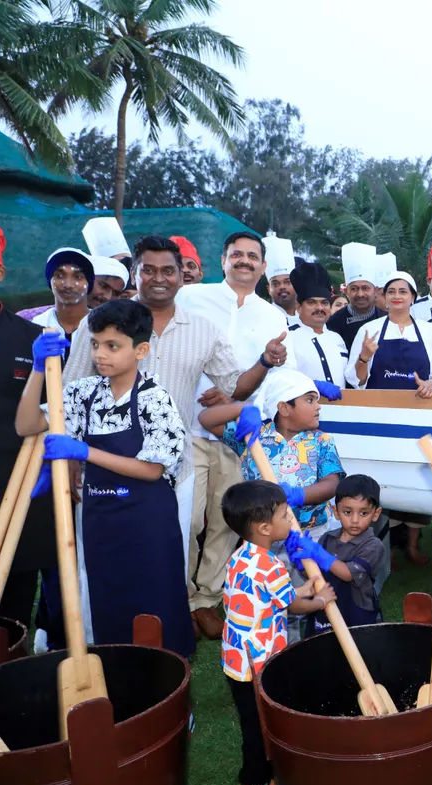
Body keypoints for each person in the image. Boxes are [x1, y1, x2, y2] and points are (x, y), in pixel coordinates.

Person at [63, 235, 270, 642]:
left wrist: (265, 362)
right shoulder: (101, 322)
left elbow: (235, 384)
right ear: (136, 273)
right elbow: (70, 392)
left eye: (168, 270)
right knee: (97, 563)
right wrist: (72, 461)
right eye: (149, 269)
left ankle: (161, 650)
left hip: (171, 470)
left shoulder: (203, 331)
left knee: (163, 561)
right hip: (101, 467)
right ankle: (96, 646)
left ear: (181, 276)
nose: (159, 278)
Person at [17, 301, 194, 658]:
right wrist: (38, 370)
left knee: (155, 609)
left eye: (112, 346)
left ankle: (169, 692)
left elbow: (151, 469)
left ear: (140, 350)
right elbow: (25, 425)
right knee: (108, 604)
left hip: (147, 524)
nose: (100, 354)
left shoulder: (155, 399)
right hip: (101, 522)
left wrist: (85, 453)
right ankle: (119, 680)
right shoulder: (83, 394)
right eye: (96, 344)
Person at [177, 230, 294, 639]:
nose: (244, 261)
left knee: (229, 520)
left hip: (240, 435)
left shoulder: (272, 315)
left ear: (263, 267)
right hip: (187, 425)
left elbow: (277, 374)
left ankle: (208, 599)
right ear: (223, 260)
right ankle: (180, 598)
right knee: (187, 519)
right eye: (237, 255)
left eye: (252, 257)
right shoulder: (191, 298)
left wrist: (233, 397)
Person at [200, 369, 345, 641]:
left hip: (312, 534)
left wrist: (299, 495)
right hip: (267, 540)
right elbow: (205, 418)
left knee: (318, 594)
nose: (318, 407)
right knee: (282, 599)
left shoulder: (321, 440)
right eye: (310, 400)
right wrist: (246, 408)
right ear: (284, 407)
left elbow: (332, 484)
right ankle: (285, 650)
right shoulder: (252, 436)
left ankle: (321, 643)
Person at [220, 479, 334, 785]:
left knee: (254, 718)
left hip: (237, 659)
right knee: (257, 725)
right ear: (266, 528)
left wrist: (303, 589)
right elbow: (291, 605)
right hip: (257, 661)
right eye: (286, 515)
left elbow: (269, 597)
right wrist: (321, 599)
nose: (291, 520)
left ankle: (265, 772)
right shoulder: (272, 565)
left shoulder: (241, 557)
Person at [0, 277, 56, 638]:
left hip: (19, 479)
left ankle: (13, 660)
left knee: (17, 586)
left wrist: (51, 464)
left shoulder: (29, 337)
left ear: (1, 271)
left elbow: (52, 411)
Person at [286, 474, 385, 635]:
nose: (354, 520)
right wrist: (300, 562)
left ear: (376, 514)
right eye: (347, 512)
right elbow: (315, 575)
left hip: (355, 619)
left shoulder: (373, 545)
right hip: (323, 613)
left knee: (354, 657)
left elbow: (347, 574)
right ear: (336, 512)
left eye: (363, 513)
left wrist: (319, 553)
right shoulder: (328, 538)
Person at [346, 272, 432, 395]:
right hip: (377, 408)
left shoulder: (429, 330)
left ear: (413, 297)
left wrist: (430, 384)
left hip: (421, 408)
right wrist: (363, 359)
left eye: (403, 292)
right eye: (391, 292)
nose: (397, 296)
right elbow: (356, 381)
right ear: (385, 297)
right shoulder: (369, 330)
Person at [290, 260, 347, 391]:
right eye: (311, 302)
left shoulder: (337, 338)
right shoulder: (289, 337)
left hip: (342, 409)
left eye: (324, 303)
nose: (319, 308)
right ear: (298, 307)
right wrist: (313, 385)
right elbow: (281, 378)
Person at [326, 242, 385, 351]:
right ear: (347, 291)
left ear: (375, 290)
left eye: (365, 288)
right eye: (354, 289)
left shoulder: (386, 319)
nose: (360, 294)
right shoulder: (333, 323)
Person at [22, 248, 93, 336]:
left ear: (89, 282)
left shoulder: (103, 325)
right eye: (59, 276)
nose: (68, 285)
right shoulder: (36, 325)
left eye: (78, 277)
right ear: (50, 281)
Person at [262, 233, 300, 330]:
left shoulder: (307, 317)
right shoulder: (264, 318)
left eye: (287, 282)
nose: (282, 287)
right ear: (268, 289)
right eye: (275, 284)